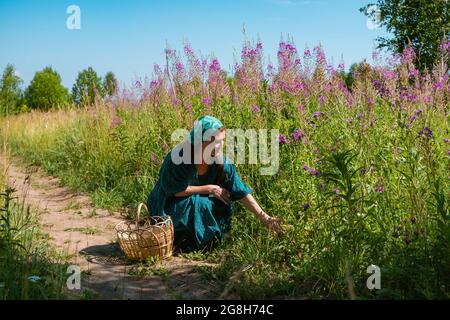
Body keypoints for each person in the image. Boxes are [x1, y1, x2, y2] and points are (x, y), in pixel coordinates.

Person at [146, 115, 287, 253]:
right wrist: (209, 188)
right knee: (201, 204)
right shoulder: (178, 158)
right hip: (169, 204)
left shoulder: (222, 164)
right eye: (215, 141)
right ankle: (178, 240)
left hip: (199, 204)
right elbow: (174, 189)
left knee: (216, 203)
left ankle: (201, 243)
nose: (221, 145)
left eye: (223, 140)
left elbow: (240, 191)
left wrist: (265, 218)